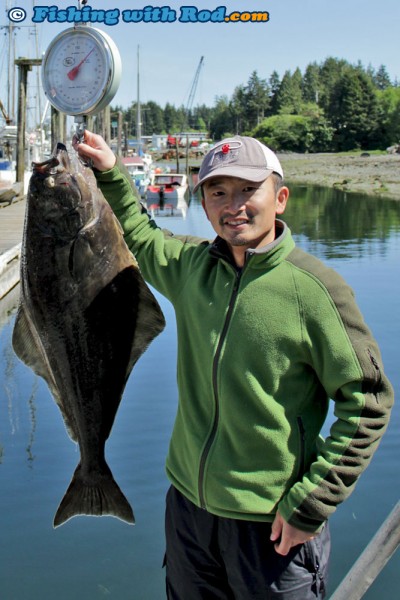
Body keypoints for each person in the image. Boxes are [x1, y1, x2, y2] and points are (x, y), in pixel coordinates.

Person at [74, 132, 394, 599]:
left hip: (272, 527)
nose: (234, 205)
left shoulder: (316, 290)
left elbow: (368, 402)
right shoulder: (191, 268)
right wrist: (109, 171)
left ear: (280, 198)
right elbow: (140, 236)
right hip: (189, 513)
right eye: (218, 192)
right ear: (203, 203)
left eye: (248, 190)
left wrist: (313, 501)